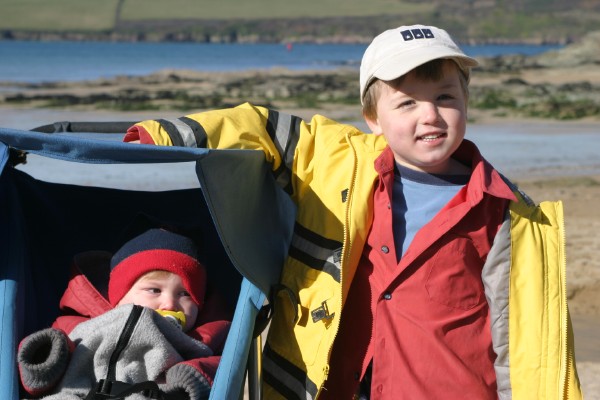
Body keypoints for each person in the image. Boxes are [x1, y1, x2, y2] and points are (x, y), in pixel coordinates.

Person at [122, 24, 582, 399]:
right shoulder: (339, 163)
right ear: (373, 118)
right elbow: (258, 125)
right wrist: (163, 134)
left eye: (445, 98)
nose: (431, 116)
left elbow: (517, 339)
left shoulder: (504, 211)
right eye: (407, 102)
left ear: (465, 102)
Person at [17, 228, 231, 400]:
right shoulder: (78, 325)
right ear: (119, 297)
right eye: (154, 290)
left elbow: (224, 367)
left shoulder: (201, 340)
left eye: (185, 294)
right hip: (77, 390)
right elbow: (39, 372)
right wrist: (44, 360)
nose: (169, 303)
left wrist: (191, 374)